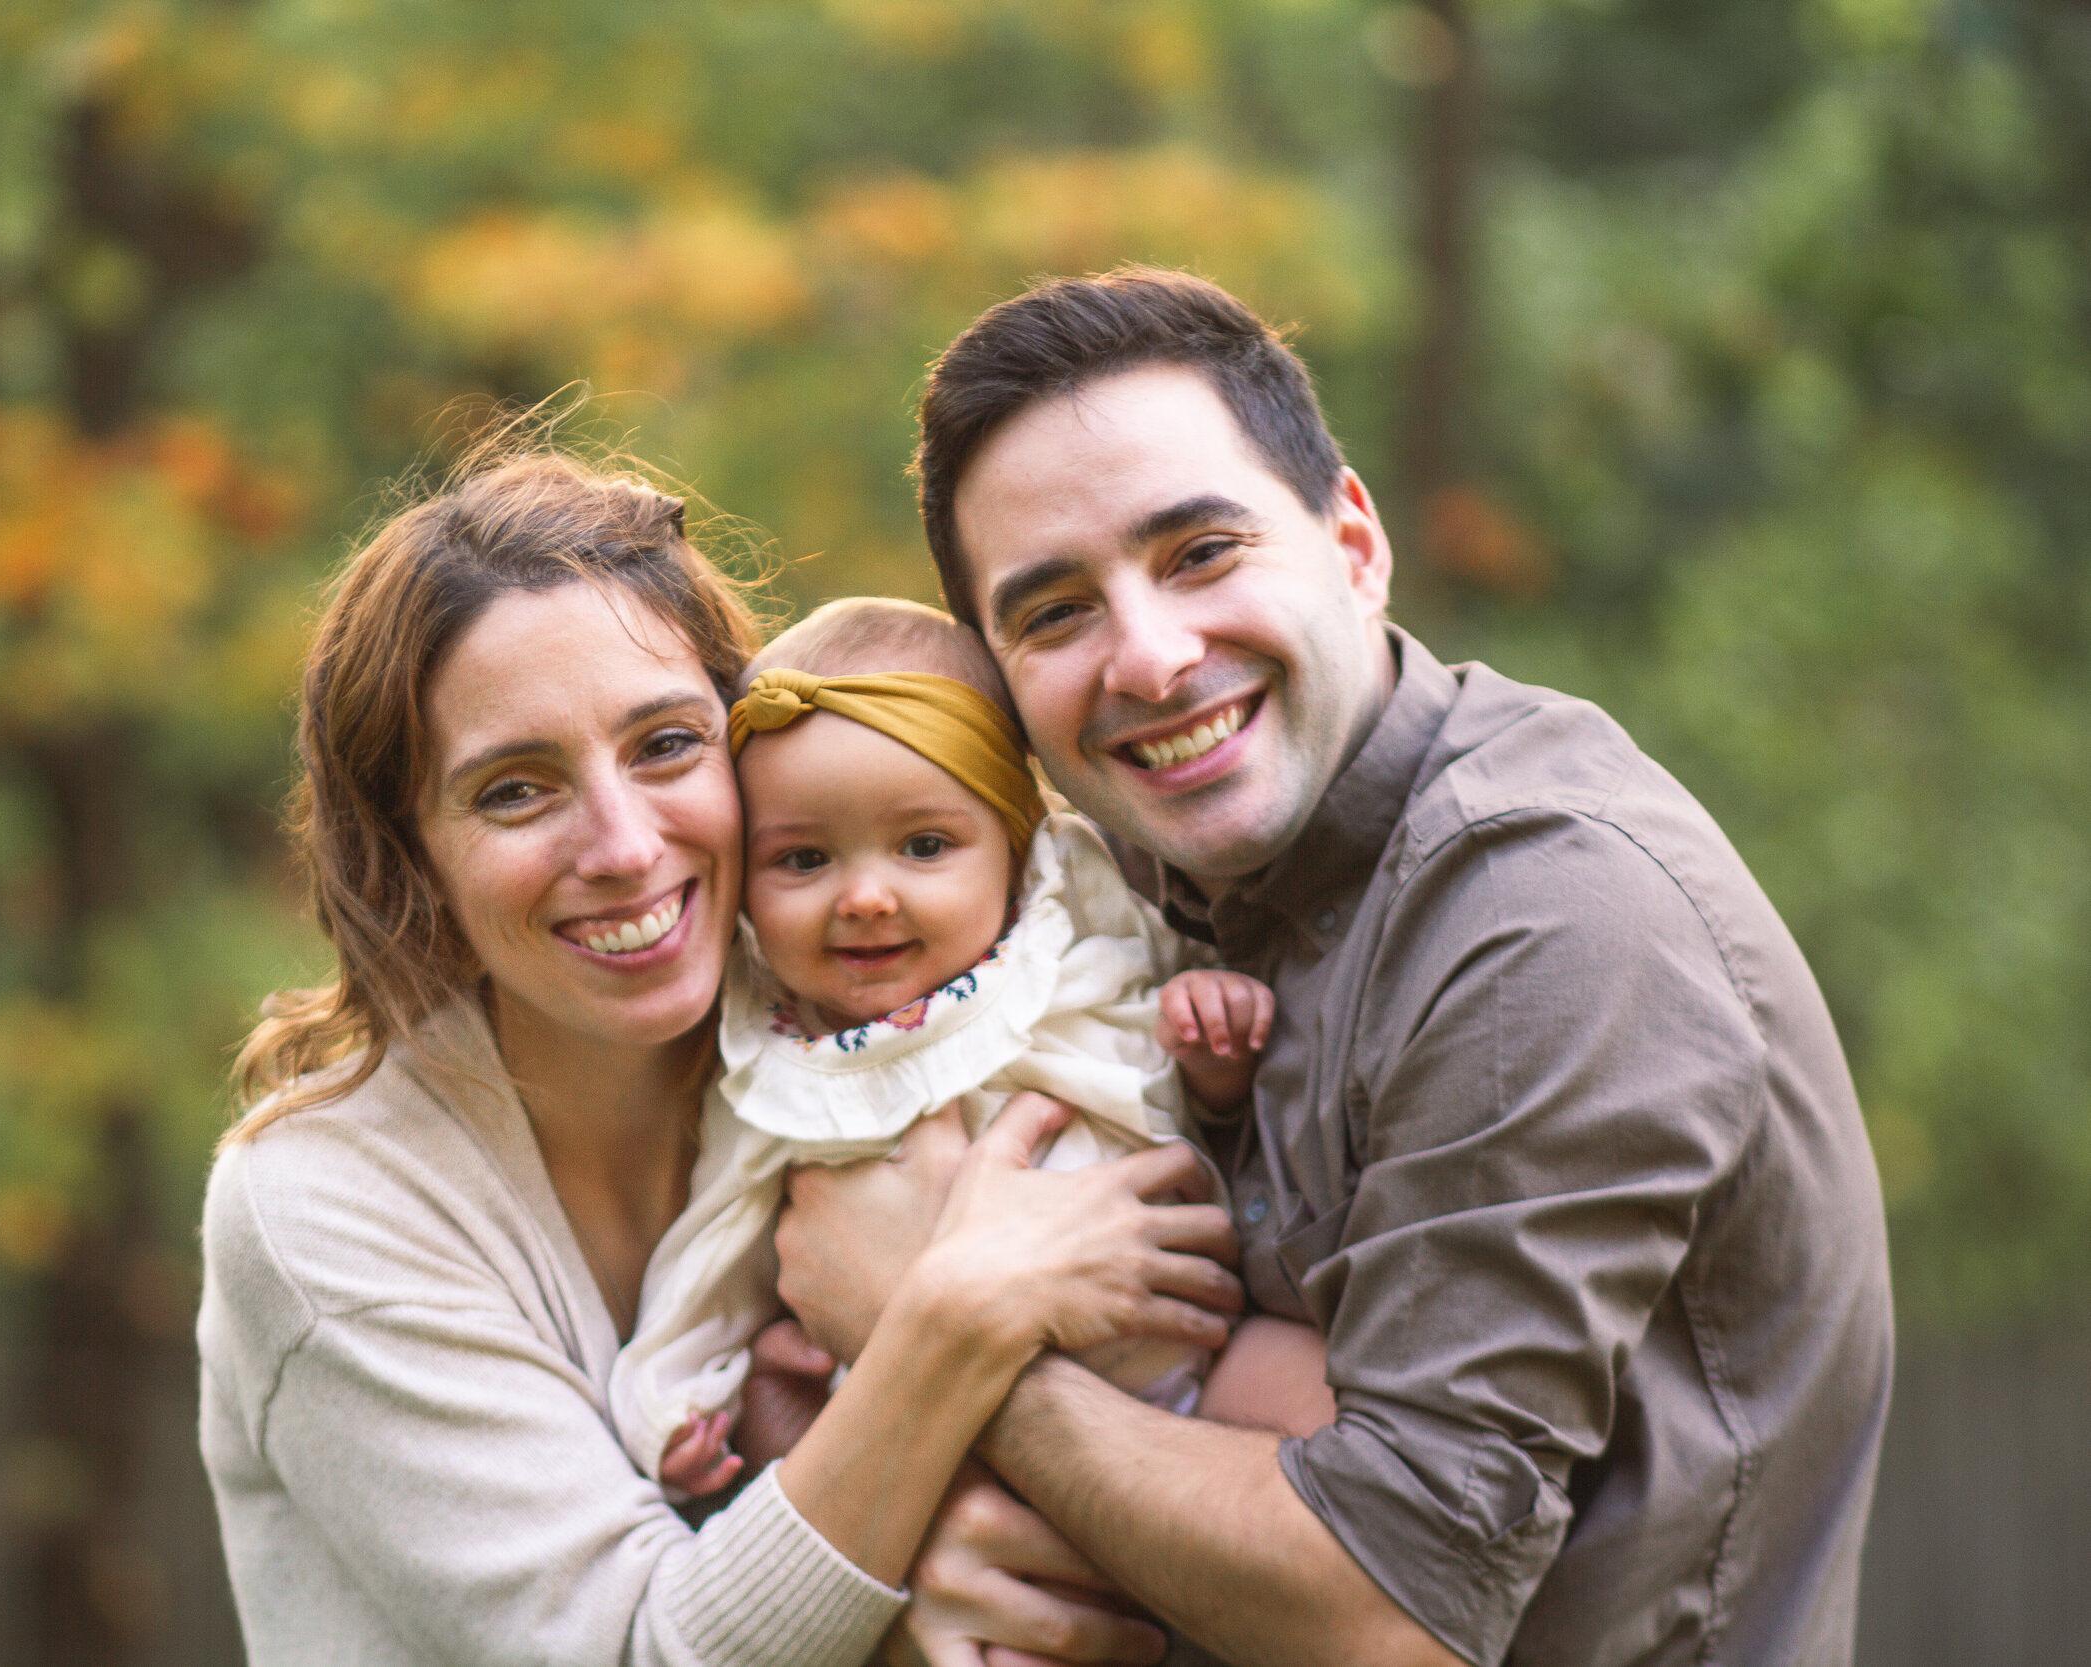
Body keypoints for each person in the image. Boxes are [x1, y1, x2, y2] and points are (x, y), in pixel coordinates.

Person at [770, 268, 1896, 1666]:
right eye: (1056, 612)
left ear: (1353, 543)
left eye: (1199, 552)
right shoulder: (1119, 900)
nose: (1154, 655)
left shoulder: (1547, 918)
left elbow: (1387, 1609)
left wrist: (929, 1332)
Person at [193, 450, 1243, 1667]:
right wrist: (948, 1321)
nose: (627, 846)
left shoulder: (852, 1034)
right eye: (516, 791)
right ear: (410, 854)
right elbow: (637, 1647)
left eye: (665, 745)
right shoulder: (325, 1206)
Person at [608, 596, 1282, 1495]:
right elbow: (715, 1243)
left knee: (1313, 1401)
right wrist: (672, 1402)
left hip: (1197, 1355)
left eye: (922, 846)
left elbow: (1194, 1081)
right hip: (943, 1426)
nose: (866, 897)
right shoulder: (785, 1060)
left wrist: (1214, 1049)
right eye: (804, 860)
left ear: (1011, 840)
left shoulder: (1079, 922)